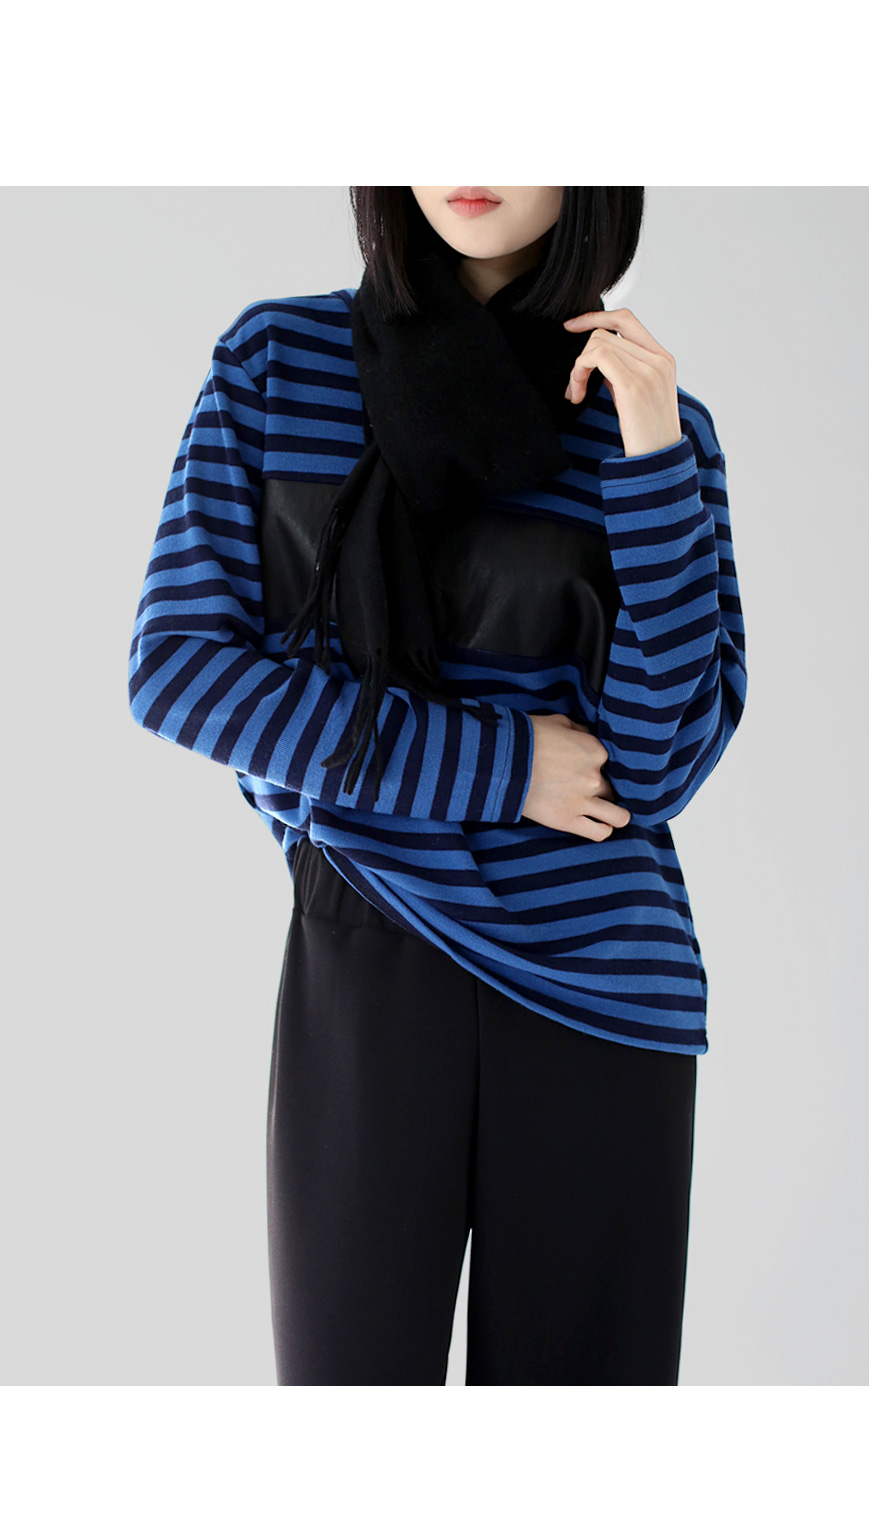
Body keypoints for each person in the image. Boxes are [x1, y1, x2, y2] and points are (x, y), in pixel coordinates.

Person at [128, 188, 746, 1386]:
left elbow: (657, 763)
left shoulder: (654, 426)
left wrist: (654, 460)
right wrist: (501, 766)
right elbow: (181, 670)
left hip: (600, 983)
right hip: (366, 941)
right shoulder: (281, 365)